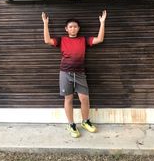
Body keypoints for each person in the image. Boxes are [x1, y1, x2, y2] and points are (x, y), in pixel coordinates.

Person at [42, 10, 107, 138]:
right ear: (66, 29)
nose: (73, 29)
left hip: (80, 73)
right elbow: (47, 40)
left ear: (78, 28)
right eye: (70, 27)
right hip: (65, 73)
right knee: (69, 99)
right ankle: (71, 124)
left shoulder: (83, 39)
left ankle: (85, 121)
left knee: (84, 98)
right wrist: (45, 23)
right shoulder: (62, 40)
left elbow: (99, 39)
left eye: (75, 27)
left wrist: (102, 23)